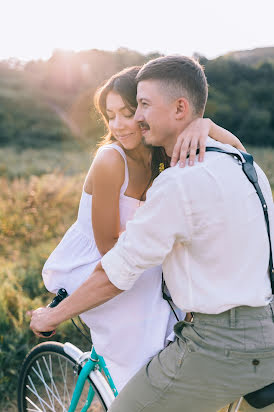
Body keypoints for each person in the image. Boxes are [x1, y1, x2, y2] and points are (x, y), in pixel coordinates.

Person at [28, 55, 273, 412]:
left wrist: (52, 316)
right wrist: (208, 126)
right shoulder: (247, 167)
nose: (134, 118)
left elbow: (116, 272)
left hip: (221, 343)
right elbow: (238, 150)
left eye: (141, 106)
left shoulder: (176, 181)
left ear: (179, 108)